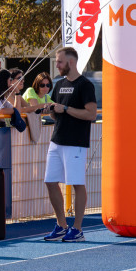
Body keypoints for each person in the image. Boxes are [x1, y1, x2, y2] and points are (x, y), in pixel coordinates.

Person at [42, 48, 98, 242]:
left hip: (75, 142)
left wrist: (64, 108)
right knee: (50, 181)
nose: (56, 65)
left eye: (59, 62)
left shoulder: (85, 85)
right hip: (57, 139)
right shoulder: (59, 84)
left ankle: (78, 229)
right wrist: (51, 109)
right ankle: (61, 225)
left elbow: (91, 114)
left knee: (76, 183)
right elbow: (55, 113)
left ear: (71, 62)